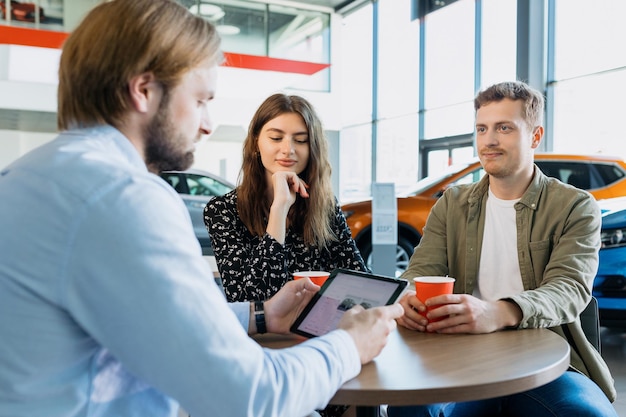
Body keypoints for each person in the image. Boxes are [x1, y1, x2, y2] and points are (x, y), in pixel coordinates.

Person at [0, 1, 404, 416]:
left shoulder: (28, 177)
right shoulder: (122, 196)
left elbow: (153, 323)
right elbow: (248, 396)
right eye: (200, 100)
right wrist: (349, 345)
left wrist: (260, 317)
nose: (207, 123)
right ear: (143, 91)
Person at [388, 81, 617, 417]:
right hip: (459, 355)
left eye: (504, 128)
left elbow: (569, 289)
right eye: (482, 128)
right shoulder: (452, 203)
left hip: (547, 358)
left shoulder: (575, 206)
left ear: (535, 137)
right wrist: (407, 297)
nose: (489, 140)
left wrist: (496, 312)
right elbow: (420, 271)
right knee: (407, 408)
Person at [204, 93, 367, 303]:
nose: (288, 150)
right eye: (276, 138)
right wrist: (279, 210)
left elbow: (360, 281)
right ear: (256, 143)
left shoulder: (324, 205)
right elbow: (250, 299)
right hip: (262, 336)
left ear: (312, 149)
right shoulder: (222, 210)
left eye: (301, 140)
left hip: (321, 329)